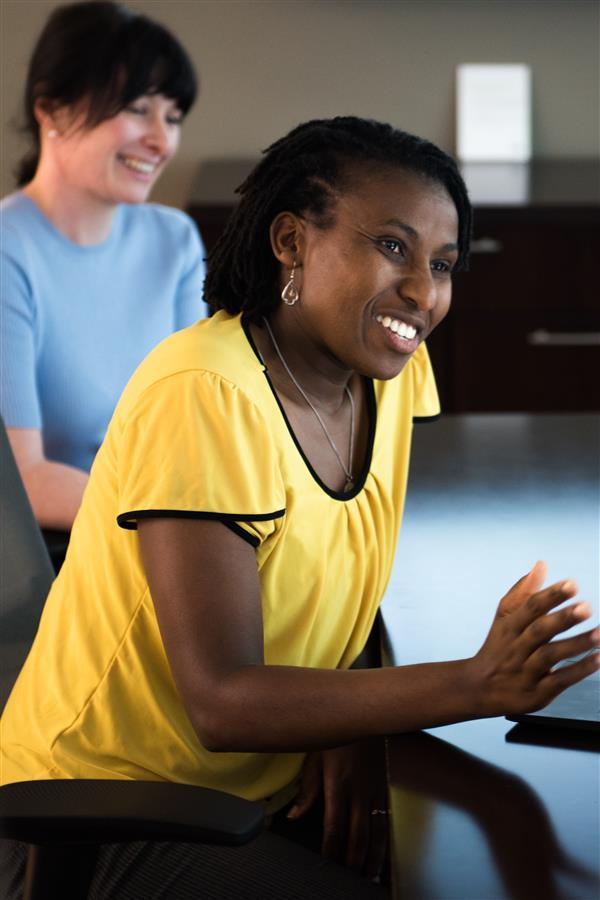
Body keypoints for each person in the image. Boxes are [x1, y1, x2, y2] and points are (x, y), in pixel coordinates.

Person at [2, 117, 598, 897]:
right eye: (392, 247)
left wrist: (349, 723)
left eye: (443, 264)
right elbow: (222, 700)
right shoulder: (206, 395)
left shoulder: (388, 370)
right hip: (102, 817)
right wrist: (477, 683)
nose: (423, 292)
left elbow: (332, 571)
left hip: (252, 792)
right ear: (291, 241)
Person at [0, 1, 206, 532]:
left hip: (161, 529)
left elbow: (194, 425)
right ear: (52, 110)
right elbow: (23, 478)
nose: (162, 141)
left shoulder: (174, 241)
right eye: (138, 108)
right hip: (58, 555)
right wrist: (175, 531)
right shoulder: (9, 249)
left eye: (174, 117)